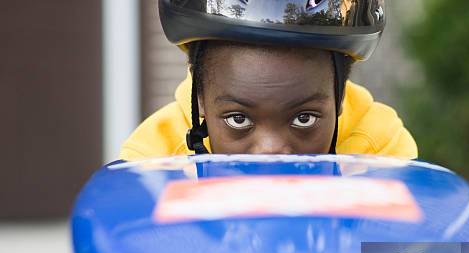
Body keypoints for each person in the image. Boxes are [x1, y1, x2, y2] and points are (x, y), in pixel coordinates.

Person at [119, 0, 418, 160]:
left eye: (304, 118)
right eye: (238, 120)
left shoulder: (381, 152)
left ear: (340, 96)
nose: (271, 151)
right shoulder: (152, 163)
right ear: (200, 98)